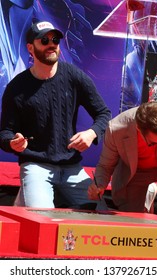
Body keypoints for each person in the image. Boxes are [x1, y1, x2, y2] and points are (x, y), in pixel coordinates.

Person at [0, 21, 111, 209]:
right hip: (35, 166)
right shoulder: (16, 87)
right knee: (42, 218)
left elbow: (104, 114)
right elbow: (5, 133)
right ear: (30, 48)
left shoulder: (74, 76)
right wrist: (13, 143)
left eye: (55, 39)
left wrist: (91, 133)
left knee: (101, 216)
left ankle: (23, 201)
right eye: (44, 40)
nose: (52, 44)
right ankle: (27, 198)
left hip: (72, 167)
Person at [88, 101, 157, 213]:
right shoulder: (116, 129)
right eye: (153, 143)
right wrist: (99, 184)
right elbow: (105, 165)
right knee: (131, 220)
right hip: (134, 173)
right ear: (138, 129)